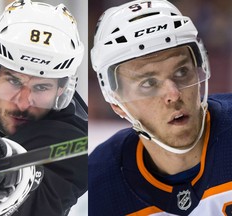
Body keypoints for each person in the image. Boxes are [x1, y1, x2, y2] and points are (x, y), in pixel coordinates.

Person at [0, 0, 87, 216]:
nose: (23, 102)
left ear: (61, 90)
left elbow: (39, 198)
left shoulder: (74, 142)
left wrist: (15, 178)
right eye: (14, 81)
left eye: (41, 87)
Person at [89, 0, 232, 215]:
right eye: (148, 83)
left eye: (182, 72)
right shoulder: (97, 187)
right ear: (116, 103)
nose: (173, 94)